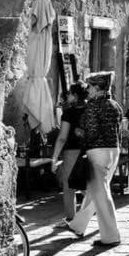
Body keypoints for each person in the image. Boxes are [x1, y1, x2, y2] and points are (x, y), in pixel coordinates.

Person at [64, 72, 123, 247]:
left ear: (97, 88)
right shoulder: (115, 105)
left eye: (90, 87)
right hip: (114, 150)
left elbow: (91, 132)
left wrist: (80, 133)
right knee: (95, 191)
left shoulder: (92, 106)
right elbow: (117, 131)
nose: (87, 90)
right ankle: (78, 225)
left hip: (97, 151)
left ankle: (111, 236)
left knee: (101, 194)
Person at [50, 81, 88, 225]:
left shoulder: (69, 112)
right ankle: (98, 209)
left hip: (72, 151)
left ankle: (71, 218)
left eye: (70, 93)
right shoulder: (91, 109)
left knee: (69, 185)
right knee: (86, 183)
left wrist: (54, 157)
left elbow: (62, 137)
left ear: (75, 95)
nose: (68, 96)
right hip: (90, 150)